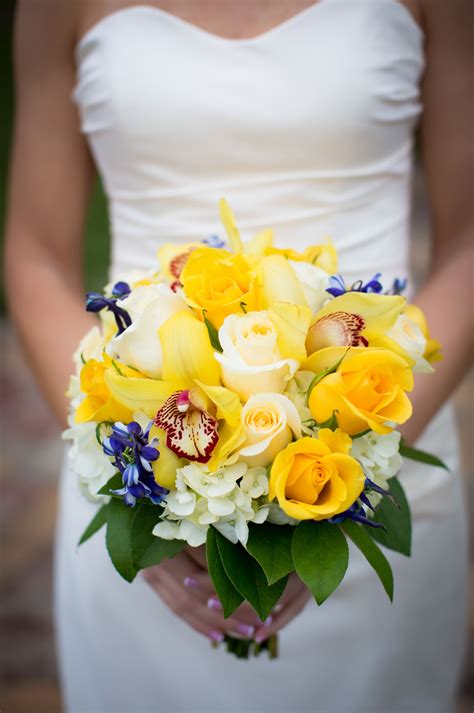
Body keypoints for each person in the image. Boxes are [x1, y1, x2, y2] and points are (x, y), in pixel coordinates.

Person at [5, 1, 472, 711]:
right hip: (144, 462)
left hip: (380, 457)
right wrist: (137, 491)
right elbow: (35, 253)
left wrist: (353, 467)